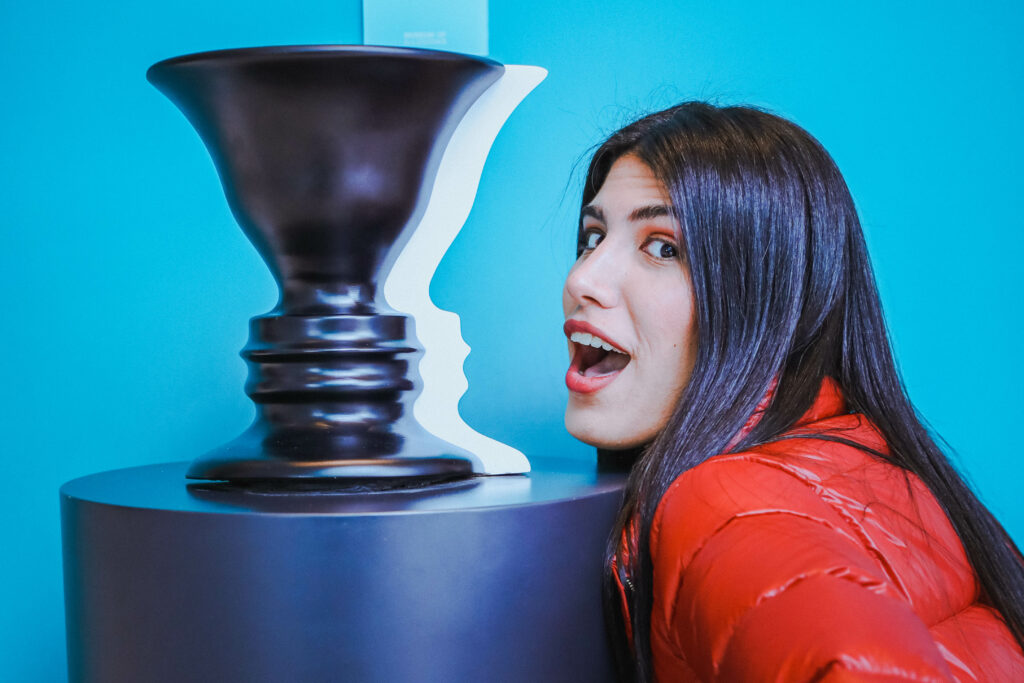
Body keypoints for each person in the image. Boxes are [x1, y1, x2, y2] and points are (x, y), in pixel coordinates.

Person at [561, 102, 1024, 682]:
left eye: (663, 247)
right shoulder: (866, 457)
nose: (581, 279)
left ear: (766, 296)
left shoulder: (726, 507)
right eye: (593, 237)